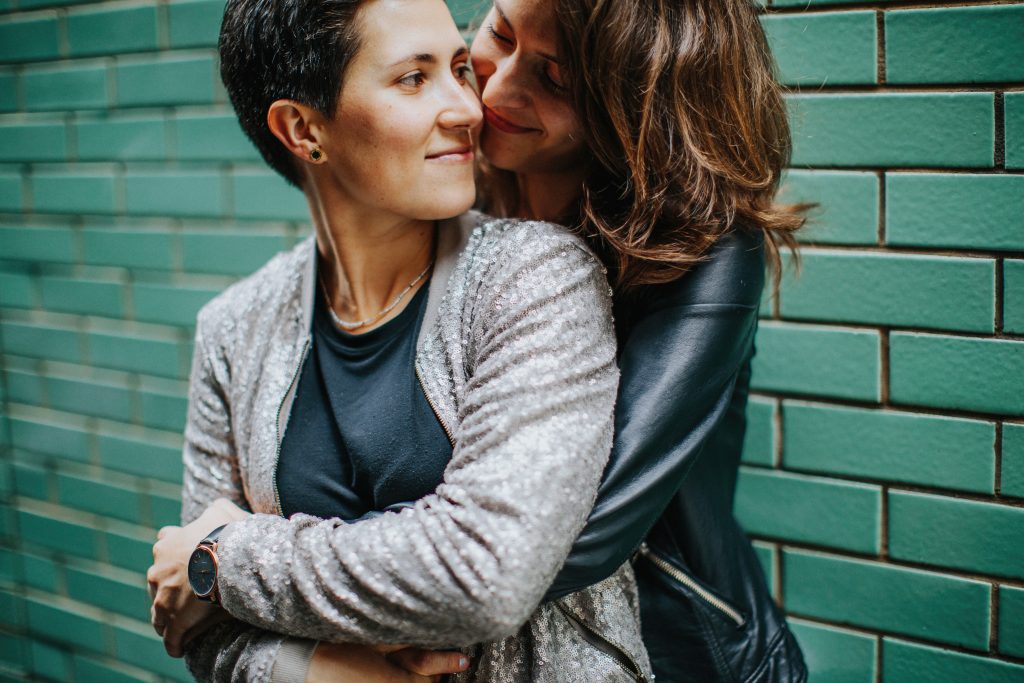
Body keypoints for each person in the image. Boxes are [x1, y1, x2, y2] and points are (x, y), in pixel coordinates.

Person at [152, 0, 810, 679]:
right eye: (496, 35)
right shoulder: (450, 190)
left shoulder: (695, 257)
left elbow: (534, 544)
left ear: (627, 106)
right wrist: (320, 664)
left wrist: (227, 557)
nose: (484, 97)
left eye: (553, 76)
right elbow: (202, 629)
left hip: (684, 647)